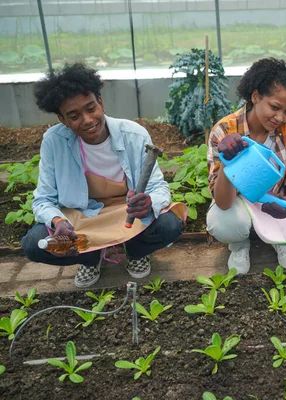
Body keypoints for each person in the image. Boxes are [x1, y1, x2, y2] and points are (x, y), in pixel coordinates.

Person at [21, 63, 187, 288]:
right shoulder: (54, 142)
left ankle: (136, 252)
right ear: (63, 120)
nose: (88, 120)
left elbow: (159, 188)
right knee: (34, 243)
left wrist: (149, 204)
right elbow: (43, 199)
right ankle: (90, 258)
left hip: (125, 214)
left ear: (101, 102)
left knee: (170, 224)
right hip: (82, 217)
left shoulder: (133, 135)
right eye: (74, 115)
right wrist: (58, 220)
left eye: (91, 108)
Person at [206, 58, 286, 275]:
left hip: (274, 200)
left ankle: (280, 238)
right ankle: (240, 244)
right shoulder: (224, 131)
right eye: (275, 107)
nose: (280, 117)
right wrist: (228, 163)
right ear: (255, 97)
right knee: (222, 223)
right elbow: (223, 202)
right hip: (238, 204)